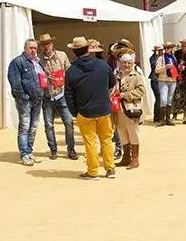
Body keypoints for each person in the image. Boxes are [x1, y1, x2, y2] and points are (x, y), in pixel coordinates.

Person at [65, 36, 116, 180]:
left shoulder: (71, 70)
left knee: (90, 142)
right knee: (106, 140)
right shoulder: (102, 64)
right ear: (88, 48)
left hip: (85, 111)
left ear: (74, 52)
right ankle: (110, 168)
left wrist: (75, 112)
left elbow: (68, 95)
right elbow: (112, 83)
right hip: (104, 109)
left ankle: (93, 171)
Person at [37, 33, 78, 161]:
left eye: (48, 43)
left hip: (62, 93)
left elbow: (70, 72)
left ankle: (71, 149)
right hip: (47, 95)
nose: (46, 46)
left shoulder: (62, 55)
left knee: (69, 123)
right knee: (49, 125)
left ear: (52, 44)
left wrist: (65, 79)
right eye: (43, 44)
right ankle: (53, 149)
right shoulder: (38, 60)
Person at [7, 39, 46, 166]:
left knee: (33, 127)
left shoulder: (37, 62)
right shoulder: (17, 62)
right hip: (26, 101)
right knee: (24, 127)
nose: (33, 50)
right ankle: (24, 154)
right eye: (31, 48)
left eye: (35, 48)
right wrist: (23, 97)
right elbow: (15, 82)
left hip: (38, 99)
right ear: (25, 48)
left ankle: (29, 152)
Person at [114, 53, 146, 169]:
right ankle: (126, 157)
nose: (126, 65)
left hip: (131, 109)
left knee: (133, 134)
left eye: (129, 62)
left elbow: (141, 90)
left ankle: (135, 159)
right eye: (124, 62)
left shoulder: (136, 76)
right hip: (119, 110)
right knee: (122, 134)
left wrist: (125, 95)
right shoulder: (117, 75)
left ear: (132, 63)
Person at [155, 42, 178, 126]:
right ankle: (162, 119)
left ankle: (168, 118)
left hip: (172, 80)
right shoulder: (161, 59)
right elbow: (156, 70)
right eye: (167, 48)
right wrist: (165, 67)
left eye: (171, 48)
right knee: (163, 99)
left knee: (169, 99)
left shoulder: (174, 58)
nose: (169, 49)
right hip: (163, 80)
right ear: (165, 49)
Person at [147, 44, 162, 125]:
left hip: (162, 80)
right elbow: (154, 65)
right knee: (158, 98)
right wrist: (156, 54)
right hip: (155, 80)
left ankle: (162, 117)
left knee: (162, 99)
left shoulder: (163, 57)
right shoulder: (153, 58)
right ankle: (157, 118)